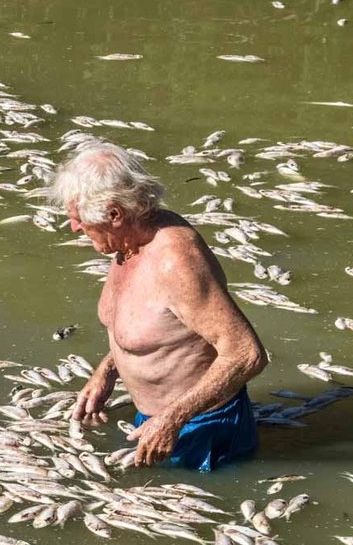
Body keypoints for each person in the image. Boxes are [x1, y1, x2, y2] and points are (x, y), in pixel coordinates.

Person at [45, 140, 269, 470]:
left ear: (114, 214)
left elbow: (246, 354)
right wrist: (106, 372)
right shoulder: (127, 243)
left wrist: (172, 420)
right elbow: (156, 326)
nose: (74, 226)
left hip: (203, 427)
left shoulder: (175, 262)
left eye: (78, 218)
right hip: (159, 420)